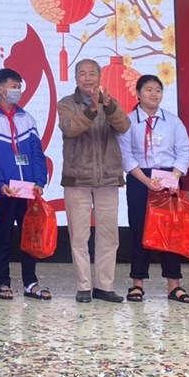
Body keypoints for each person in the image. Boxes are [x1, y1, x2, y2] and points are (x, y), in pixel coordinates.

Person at [57, 58, 130, 304]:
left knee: (109, 236)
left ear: (100, 77)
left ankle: (104, 286)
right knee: (79, 236)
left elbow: (124, 126)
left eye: (91, 74)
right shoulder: (66, 103)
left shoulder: (110, 102)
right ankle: (84, 287)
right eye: (82, 74)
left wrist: (108, 107)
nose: (87, 78)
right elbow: (71, 128)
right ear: (75, 78)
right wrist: (92, 109)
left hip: (108, 178)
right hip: (77, 179)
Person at [118, 74, 189, 304]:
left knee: (171, 232)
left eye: (158, 90)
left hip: (169, 178)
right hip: (140, 179)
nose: (153, 94)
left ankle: (174, 285)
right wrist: (145, 180)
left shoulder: (172, 121)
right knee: (140, 230)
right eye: (148, 90)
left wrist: (174, 176)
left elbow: (184, 150)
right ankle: (137, 284)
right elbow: (125, 155)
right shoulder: (128, 121)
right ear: (138, 94)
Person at [0, 68, 50, 301]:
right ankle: (2, 282)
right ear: (1, 89)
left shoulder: (27, 119)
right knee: (2, 238)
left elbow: (37, 153)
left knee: (29, 237)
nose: (18, 91)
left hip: (27, 191)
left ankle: (30, 282)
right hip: (4, 192)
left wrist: (39, 181)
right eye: (14, 86)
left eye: (19, 87)